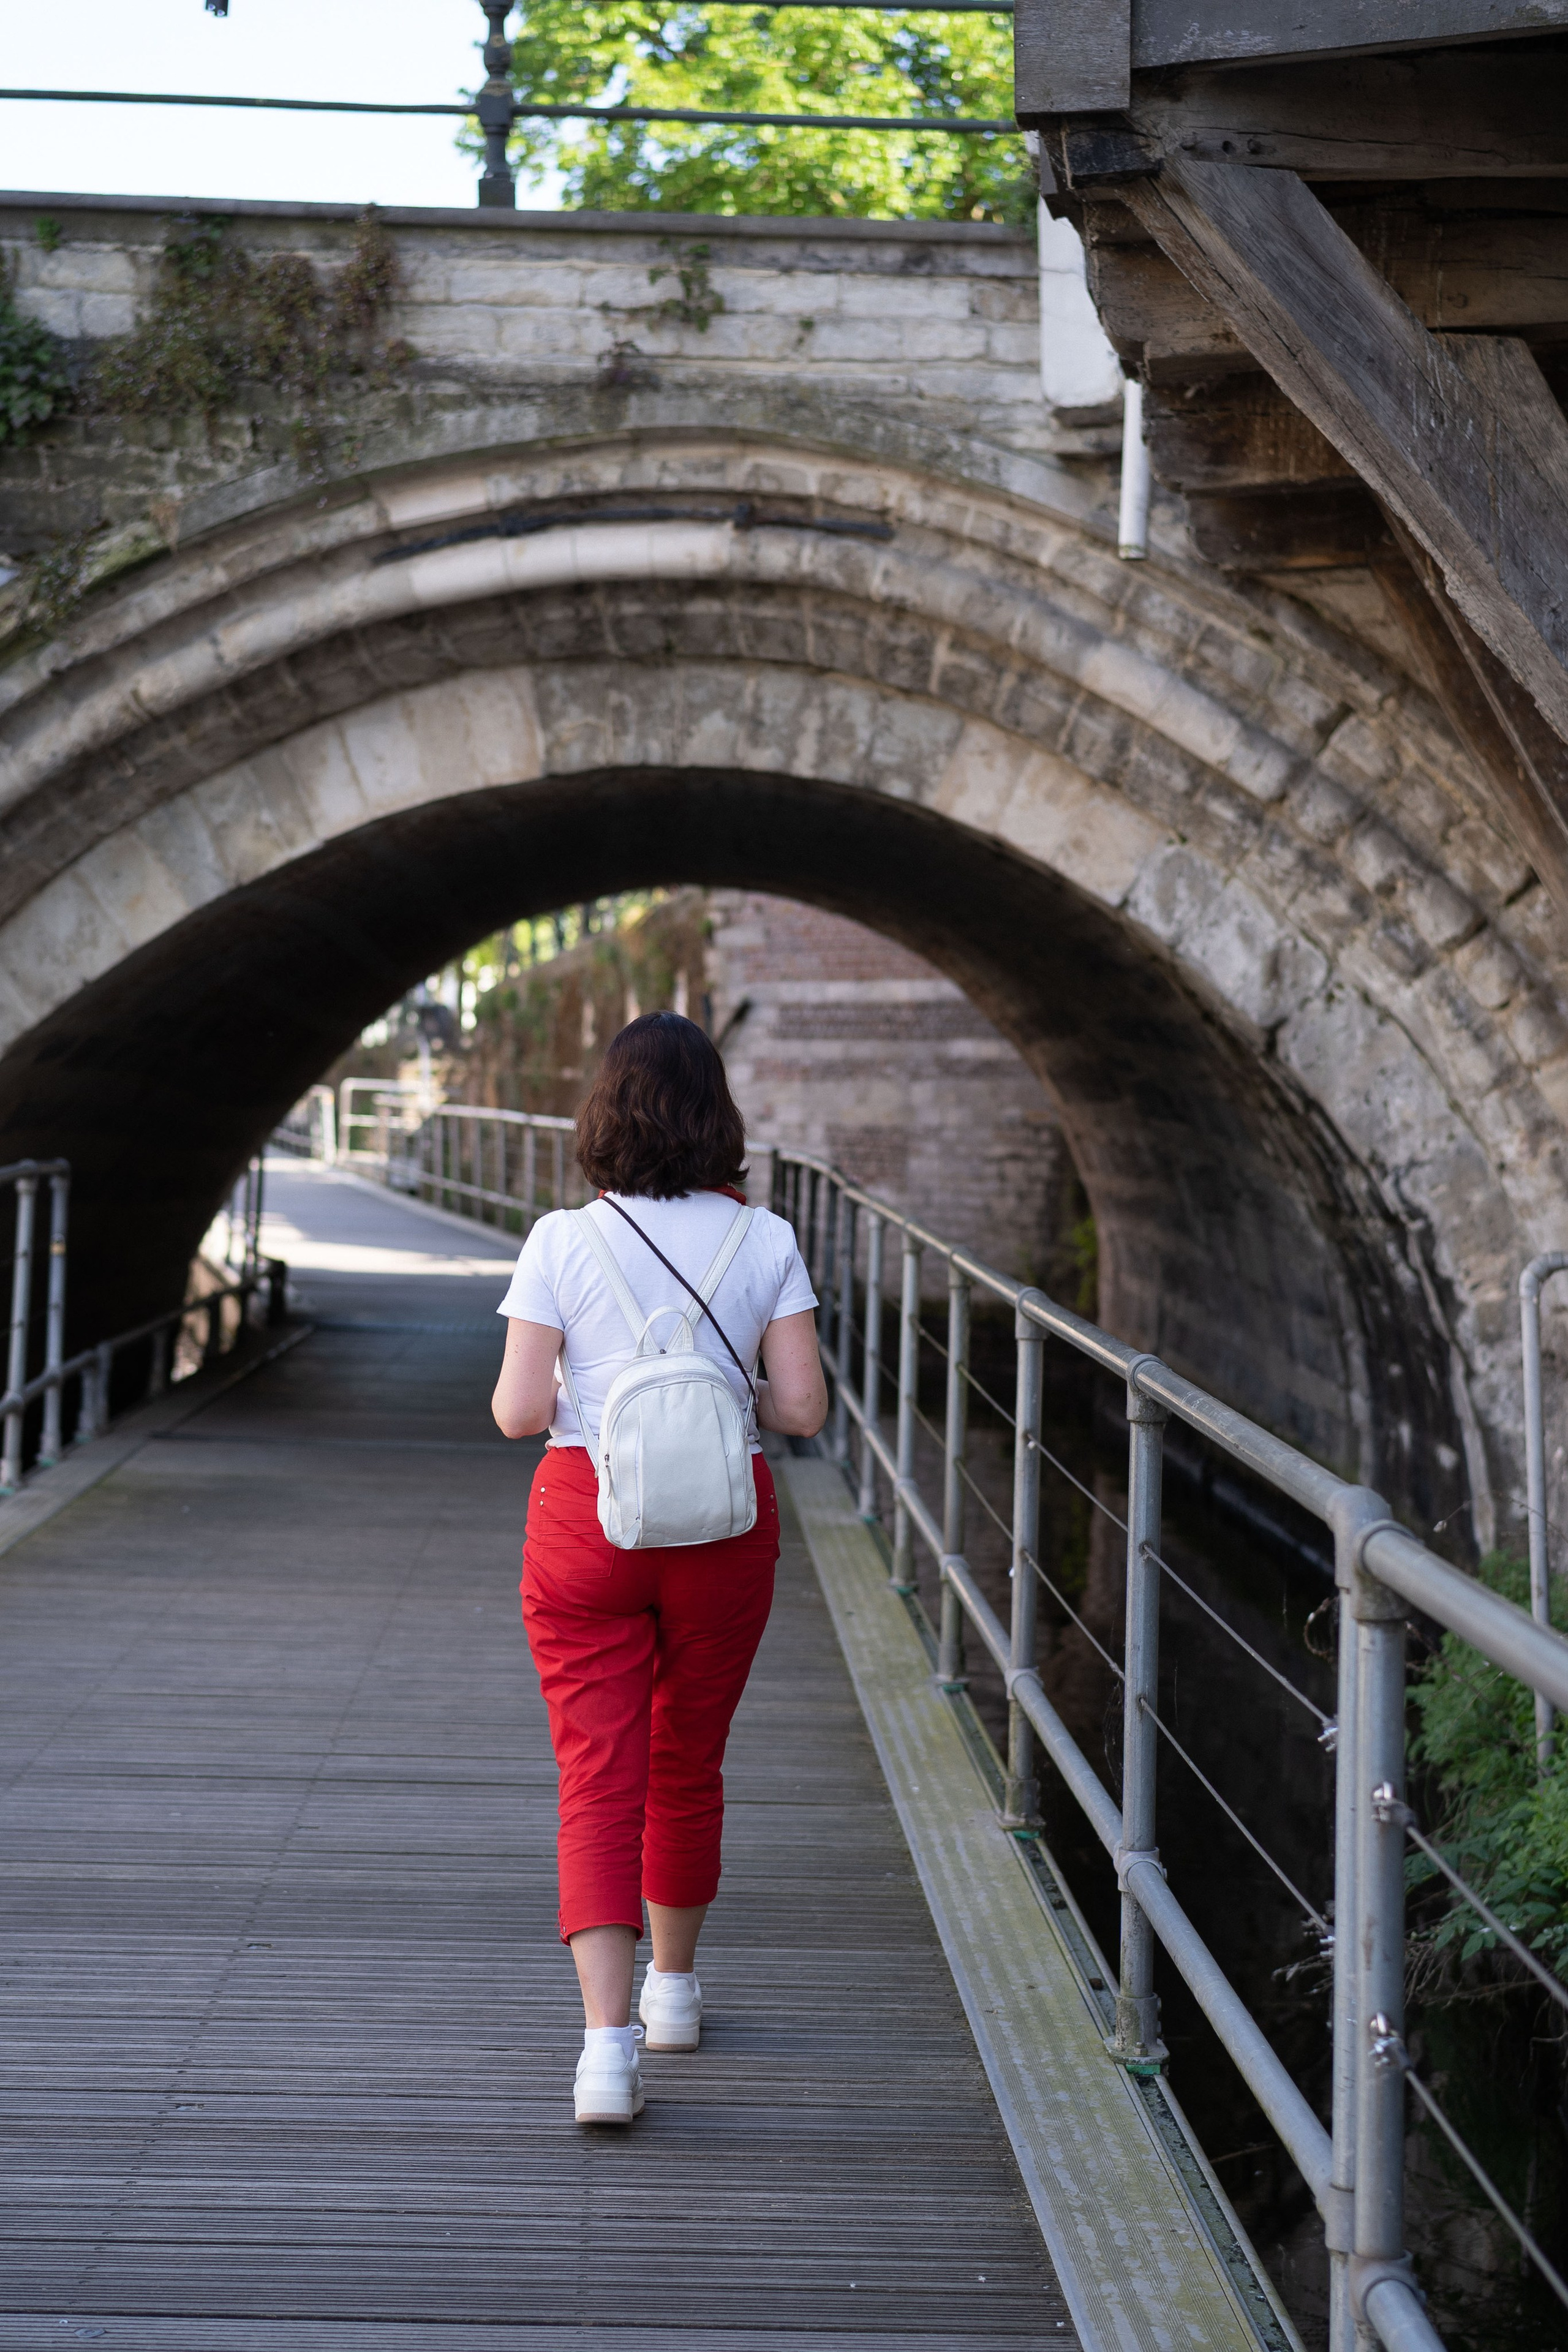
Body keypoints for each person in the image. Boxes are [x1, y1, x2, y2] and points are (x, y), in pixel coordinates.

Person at [491, 1012, 828, 2125]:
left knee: (599, 1772)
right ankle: (674, 1993)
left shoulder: (559, 1240)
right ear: (716, 1115)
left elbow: (517, 1413)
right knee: (689, 1761)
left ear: (606, 1108)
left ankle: (604, 2053)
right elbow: (804, 1411)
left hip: (586, 1525)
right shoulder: (766, 1240)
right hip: (724, 1529)